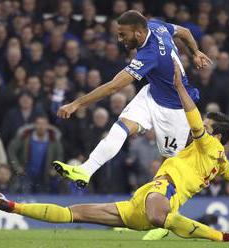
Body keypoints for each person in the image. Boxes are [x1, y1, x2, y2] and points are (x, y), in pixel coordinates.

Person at [0, 62, 229, 242]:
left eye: (208, 126)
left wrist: (179, 87)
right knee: (74, 213)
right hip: (139, 204)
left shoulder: (210, 144)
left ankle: (224, 237)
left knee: (157, 216)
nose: (199, 128)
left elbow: (193, 118)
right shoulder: (219, 160)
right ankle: (13, 207)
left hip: (164, 193)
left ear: (219, 136)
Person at [53, 10, 211, 189]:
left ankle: (164, 205)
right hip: (152, 94)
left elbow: (114, 86)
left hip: (175, 110)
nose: (120, 39)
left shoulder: (149, 55)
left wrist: (77, 103)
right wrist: (195, 52)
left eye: (123, 35)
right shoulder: (156, 26)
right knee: (122, 126)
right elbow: (185, 32)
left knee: (170, 166)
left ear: (138, 33)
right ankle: (85, 170)